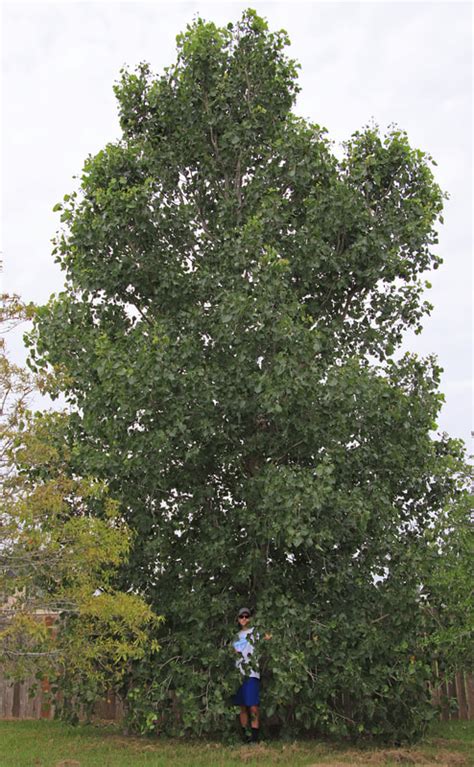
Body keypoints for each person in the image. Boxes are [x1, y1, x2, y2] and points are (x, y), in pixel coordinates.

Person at [232, 606, 271, 744]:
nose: (244, 619)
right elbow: (234, 652)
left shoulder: (254, 632)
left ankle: (254, 738)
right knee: (242, 706)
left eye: (246, 616)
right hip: (239, 674)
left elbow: (268, 637)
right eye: (241, 617)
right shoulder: (236, 636)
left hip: (252, 673)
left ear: (250, 618)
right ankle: (245, 737)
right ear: (238, 619)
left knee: (253, 706)